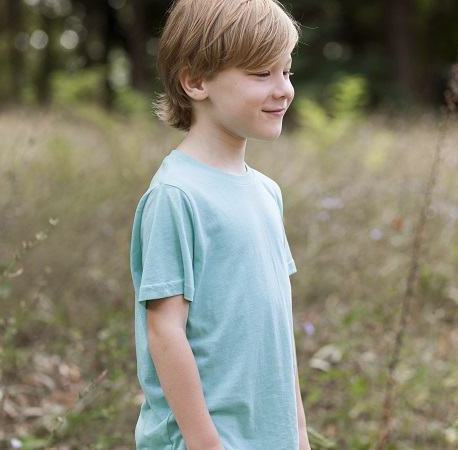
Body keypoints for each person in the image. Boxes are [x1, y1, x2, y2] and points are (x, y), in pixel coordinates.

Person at [129, 1, 309, 448]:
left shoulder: (267, 192)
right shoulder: (177, 196)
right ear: (195, 81)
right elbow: (165, 331)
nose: (283, 89)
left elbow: (275, 330)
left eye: (286, 72)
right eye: (261, 73)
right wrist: (205, 442)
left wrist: (299, 434)